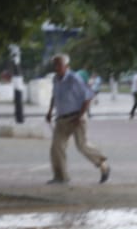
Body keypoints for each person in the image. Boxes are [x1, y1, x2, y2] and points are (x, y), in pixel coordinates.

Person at [44, 54, 110, 185]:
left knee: (82, 146)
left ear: (66, 66)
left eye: (59, 65)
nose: (56, 68)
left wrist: (80, 116)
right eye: (55, 65)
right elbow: (54, 96)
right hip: (61, 118)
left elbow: (88, 97)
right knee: (56, 147)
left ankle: (102, 164)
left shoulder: (75, 79)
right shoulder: (55, 79)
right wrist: (50, 111)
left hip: (76, 117)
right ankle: (61, 176)